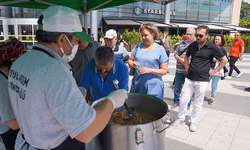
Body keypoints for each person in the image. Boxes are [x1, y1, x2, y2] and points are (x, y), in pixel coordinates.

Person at [8, 6, 128, 150]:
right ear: (62, 39)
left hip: (29, 141)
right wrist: (111, 101)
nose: (77, 46)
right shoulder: (54, 71)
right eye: (76, 41)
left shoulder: (21, 61)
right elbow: (85, 132)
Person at [173, 25, 227, 132]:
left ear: (206, 35)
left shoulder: (212, 47)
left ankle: (193, 122)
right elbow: (187, 55)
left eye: (200, 35)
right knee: (183, 100)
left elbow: (224, 60)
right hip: (189, 78)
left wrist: (214, 71)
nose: (198, 37)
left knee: (198, 102)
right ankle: (181, 118)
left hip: (202, 80)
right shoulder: (192, 45)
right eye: (196, 35)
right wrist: (186, 66)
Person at [128, 23, 168, 100]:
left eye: (146, 35)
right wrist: (133, 64)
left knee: (151, 110)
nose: (143, 37)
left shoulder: (160, 50)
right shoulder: (138, 46)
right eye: (142, 35)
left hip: (154, 88)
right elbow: (130, 60)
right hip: (138, 85)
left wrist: (150, 70)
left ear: (153, 34)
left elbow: (164, 71)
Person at [0, 38, 27, 150]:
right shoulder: (2, 83)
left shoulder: (6, 77)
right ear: (12, 62)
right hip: (8, 133)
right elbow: (13, 124)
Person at [172, 27, 196, 110]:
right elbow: (175, 54)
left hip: (189, 71)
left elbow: (197, 58)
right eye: (187, 34)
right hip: (179, 70)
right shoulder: (181, 44)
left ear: (194, 35)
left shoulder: (196, 45)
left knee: (189, 88)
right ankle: (176, 102)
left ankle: (188, 103)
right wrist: (180, 60)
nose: (188, 36)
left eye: (190, 34)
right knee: (177, 87)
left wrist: (186, 62)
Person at [208, 34, 228, 105]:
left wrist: (217, 59)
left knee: (214, 84)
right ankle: (199, 95)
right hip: (209, 68)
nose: (216, 40)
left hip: (218, 69)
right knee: (205, 82)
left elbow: (226, 59)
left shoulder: (223, 50)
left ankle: (212, 98)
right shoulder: (211, 47)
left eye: (218, 39)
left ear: (221, 40)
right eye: (215, 39)